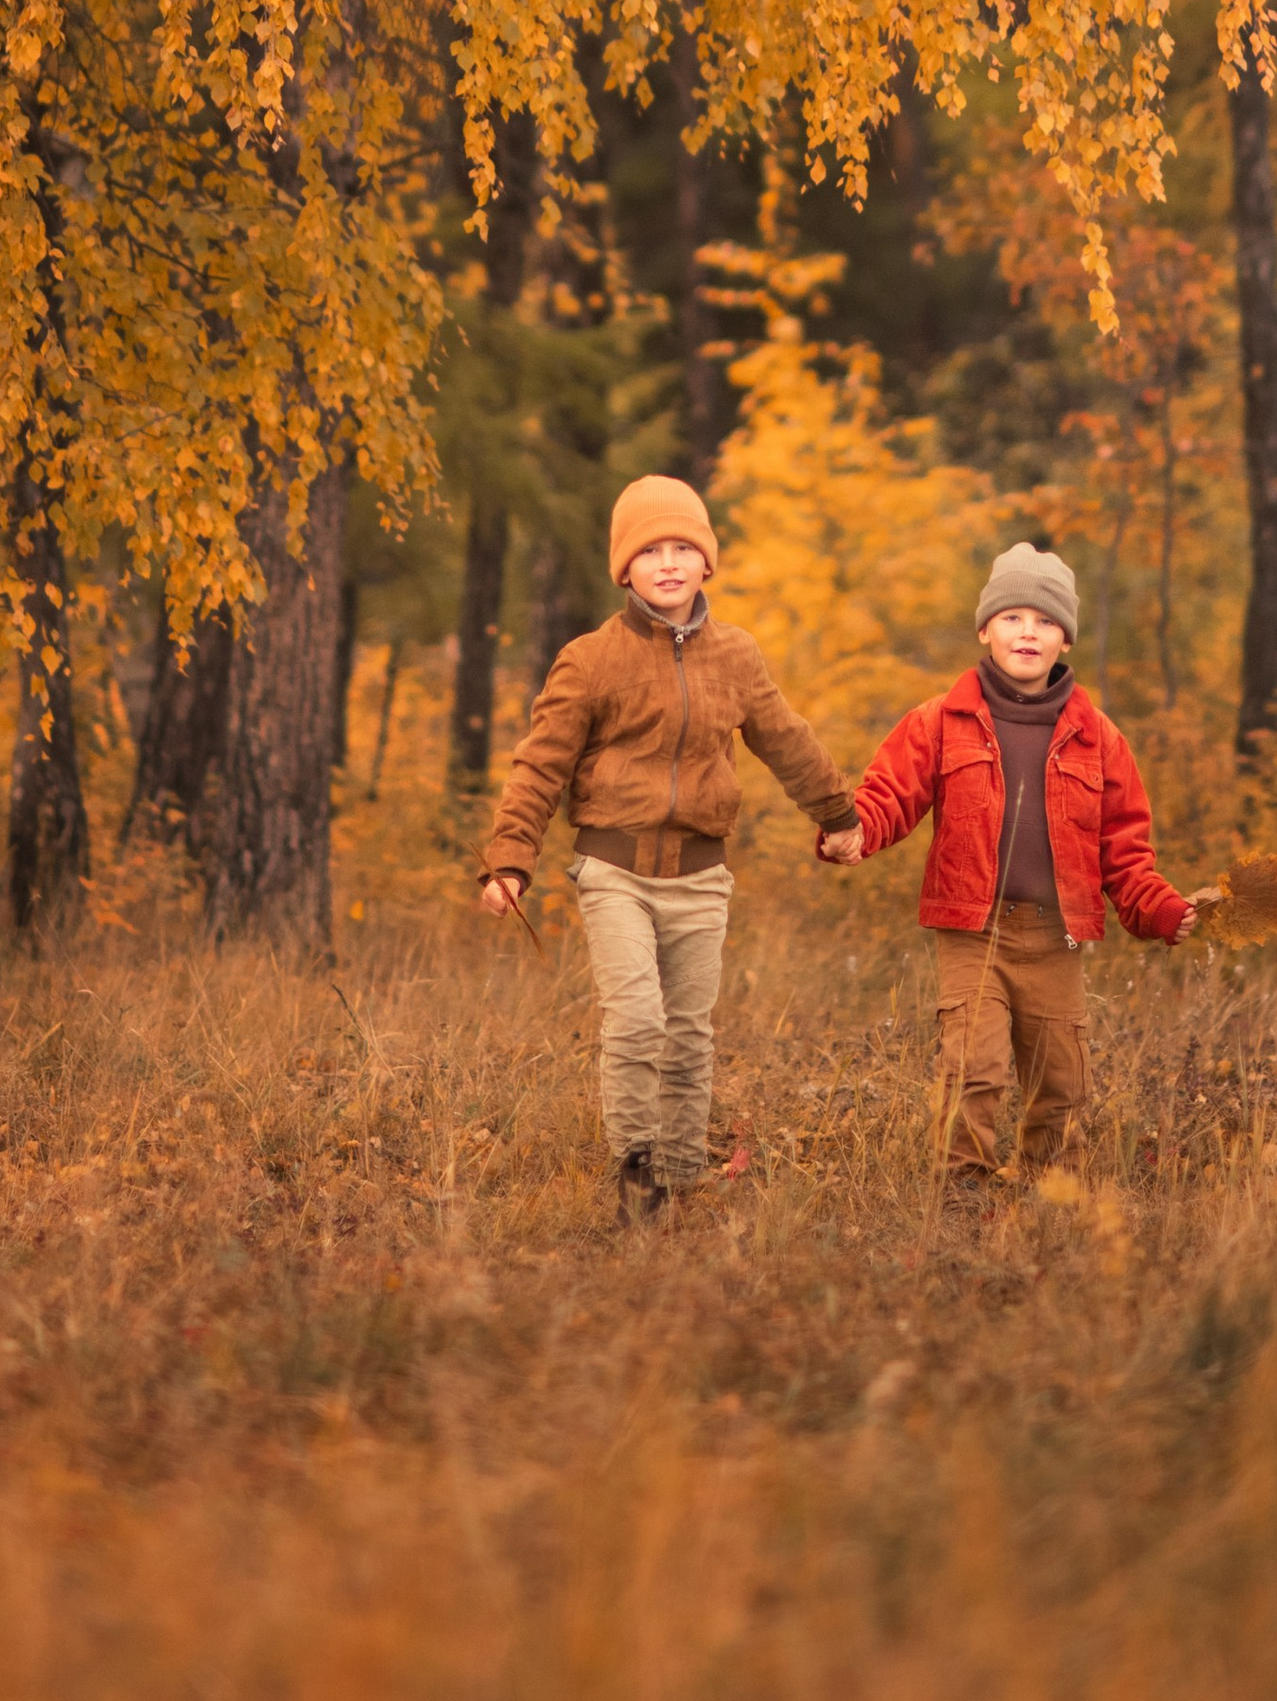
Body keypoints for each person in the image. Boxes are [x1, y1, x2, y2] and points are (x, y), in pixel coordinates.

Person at [478, 472, 864, 1220]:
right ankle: (637, 1174)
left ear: (706, 560)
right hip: (614, 869)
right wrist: (510, 861)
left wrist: (838, 813)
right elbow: (541, 765)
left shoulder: (737, 655)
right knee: (636, 1021)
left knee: (688, 1034)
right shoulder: (591, 659)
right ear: (625, 567)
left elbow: (785, 739)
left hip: (700, 875)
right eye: (650, 550)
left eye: (683, 547)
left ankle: (682, 1175)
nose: (668, 563)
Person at [839, 541, 1215, 1192]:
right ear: (985, 629)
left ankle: (1050, 1193)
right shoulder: (940, 721)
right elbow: (889, 795)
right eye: (1012, 617)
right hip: (973, 929)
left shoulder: (1099, 737)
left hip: (1055, 936)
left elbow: (1125, 847)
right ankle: (962, 1191)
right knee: (973, 1067)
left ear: (1065, 639)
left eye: (1045, 621)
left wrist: (1159, 909)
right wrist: (854, 831)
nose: (1028, 632)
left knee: (1061, 1080)